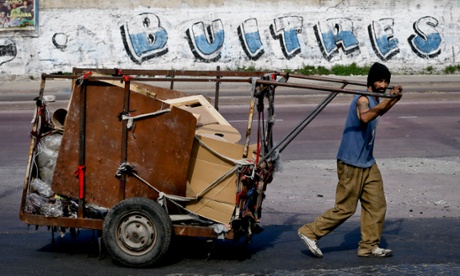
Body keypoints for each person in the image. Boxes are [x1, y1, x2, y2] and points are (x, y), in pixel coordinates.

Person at [297, 62, 403, 258]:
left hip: (368, 162)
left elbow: (379, 110)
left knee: (376, 205)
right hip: (351, 162)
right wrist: (389, 100)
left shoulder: (376, 99)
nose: (383, 84)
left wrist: (393, 100)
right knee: (345, 208)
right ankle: (310, 232)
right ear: (371, 81)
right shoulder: (363, 99)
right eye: (380, 80)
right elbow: (365, 117)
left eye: (386, 81)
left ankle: (368, 246)